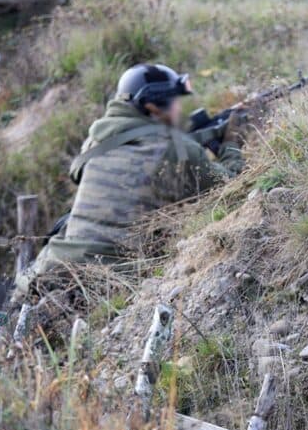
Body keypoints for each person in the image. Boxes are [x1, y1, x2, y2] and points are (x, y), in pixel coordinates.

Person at [12, 63, 244, 302]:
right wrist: (232, 142)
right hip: (108, 283)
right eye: (174, 101)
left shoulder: (98, 141)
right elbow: (230, 185)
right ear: (153, 106)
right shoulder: (177, 148)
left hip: (46, 273)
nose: (178, 108)